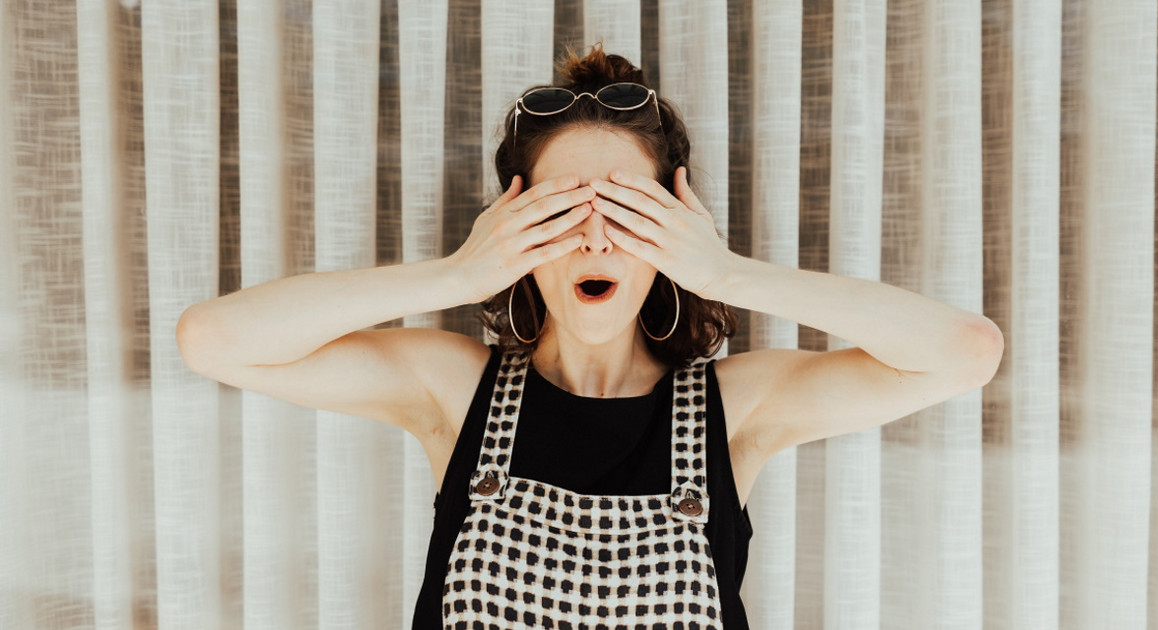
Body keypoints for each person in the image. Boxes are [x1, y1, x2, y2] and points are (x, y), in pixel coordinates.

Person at [176, 45, 1003, 630]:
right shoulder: (454, 393)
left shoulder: (736, 409)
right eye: (563, 212)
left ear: (673, 235)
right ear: (515, 230)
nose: (597, 239)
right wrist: (458, 274)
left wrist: (727, 273)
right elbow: (214, 338)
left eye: (630, 213)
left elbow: (965, 351)